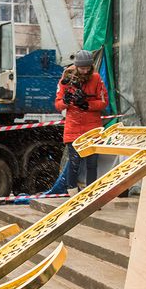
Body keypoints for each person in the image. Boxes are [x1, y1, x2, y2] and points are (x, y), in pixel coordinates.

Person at [44, 49, 108, 195]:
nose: (85, 71)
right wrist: (66, 102)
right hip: (73, 127)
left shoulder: (96, 78)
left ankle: (91, 193)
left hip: (93, 129)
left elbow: (104, 102)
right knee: (74, 162)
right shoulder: (66, 79)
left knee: (92, 163)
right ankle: (72, 192)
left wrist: (87, 105)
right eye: (82, 68)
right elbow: (58, 104)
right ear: (77, 67)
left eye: (87, 68)